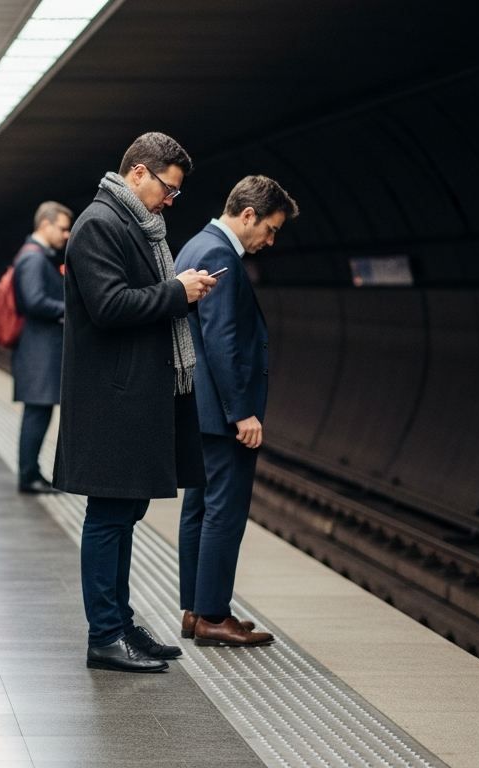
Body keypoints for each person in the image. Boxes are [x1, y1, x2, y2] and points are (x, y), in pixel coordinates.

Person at [53, 132, 217, 673]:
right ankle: (104, 635)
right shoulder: (100, 224)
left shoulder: (138, 226)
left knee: (126, 513)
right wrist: (178, 292)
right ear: (139, 173)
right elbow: (108, 305)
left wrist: (177, 288)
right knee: (108, 517)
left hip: (132, 395)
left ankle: (120, 623)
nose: (170, 201)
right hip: (111, 398)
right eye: (167, 189)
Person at [174, 176, 298, 647]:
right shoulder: (220, 255)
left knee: (199, 508)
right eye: (269, 228)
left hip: (197, 406)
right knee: (223, 511)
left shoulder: (194, 246)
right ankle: (211, 616)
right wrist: (242, 412)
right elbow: (221, 340)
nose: (269, 239)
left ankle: (196, 609)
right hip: (220, 412)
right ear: (247, 215)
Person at [12, 201, 73, 494]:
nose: (66, 235)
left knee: (39, 412)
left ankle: (32, 472)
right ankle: (28, 476)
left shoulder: (37, 256)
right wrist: (70, 309)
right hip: (38, 352)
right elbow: (34, 300)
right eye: (62, 228)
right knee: (37, 413)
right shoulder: (33, 259)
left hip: (40, 350)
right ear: (45, 225)